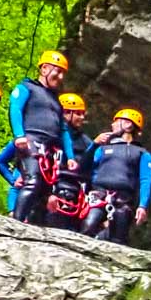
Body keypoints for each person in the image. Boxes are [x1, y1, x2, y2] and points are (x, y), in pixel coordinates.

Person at [7, 49, 75, 223]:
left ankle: (34, 227)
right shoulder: (26, 87)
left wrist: (70, 156)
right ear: (44, 69)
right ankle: (15, 222)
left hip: (50, 150)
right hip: (30, 142)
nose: (60, 77)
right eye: (57, 71)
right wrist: (19, 135)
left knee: (45, 191)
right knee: (33, 181)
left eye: (62, 74)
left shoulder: (56, 101)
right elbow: (15, 108)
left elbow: (63, 130)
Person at [81, 108, 151, 246]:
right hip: (99, 197)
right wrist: (94, 144)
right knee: (88, 227)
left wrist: (142, 206)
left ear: (128, 125)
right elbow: (84, 167)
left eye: (116, 122)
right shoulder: (102, 149)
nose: (112, 125)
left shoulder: (142, 153)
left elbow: (146, 180)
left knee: (118, 241)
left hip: (123, 201)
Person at [45, 93, 93, 230]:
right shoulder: (50, 134)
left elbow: (91, 169)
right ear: (65, 113)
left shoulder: (86, 142)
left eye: (82, 114)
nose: (82, 118)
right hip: (51, 186)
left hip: (74, 191)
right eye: (78, 114)